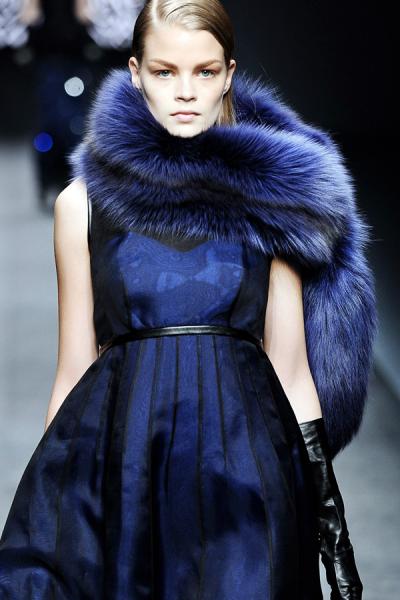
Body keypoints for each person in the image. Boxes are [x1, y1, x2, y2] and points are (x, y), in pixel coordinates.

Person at [0, 0, 377, 598]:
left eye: (204, 71)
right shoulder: (82, 206)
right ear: (135, 73)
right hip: (128, 467)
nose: (184, 92)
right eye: (164, 71)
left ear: (228, 75)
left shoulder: (270, 198)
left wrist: (329, 520)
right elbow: (75, 368)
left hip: (248, 470)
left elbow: (291, 369)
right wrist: (55, 510)